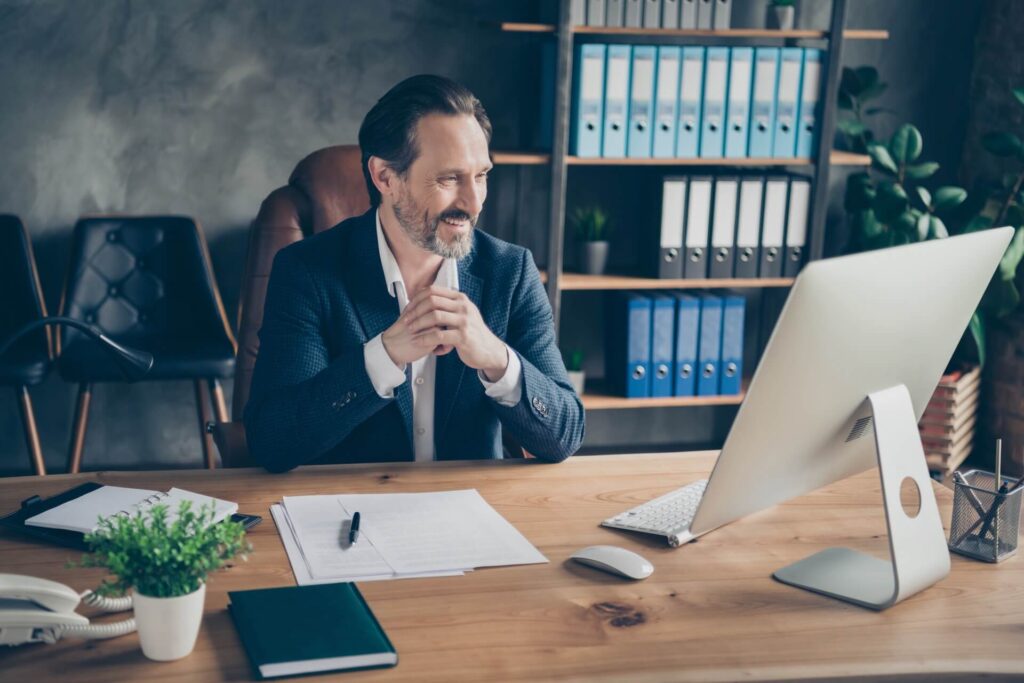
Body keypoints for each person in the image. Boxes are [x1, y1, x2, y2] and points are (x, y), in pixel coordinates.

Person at [245, 74, 585, 472]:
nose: (473, 203)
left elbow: (566, 435)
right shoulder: (307, 272)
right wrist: (384, 357)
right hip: (350, 515)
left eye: (481, 176)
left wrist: (496, 358)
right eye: (449, 178)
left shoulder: (511, 272)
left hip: (474, 516)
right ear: (385, 177)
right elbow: (271, 442)